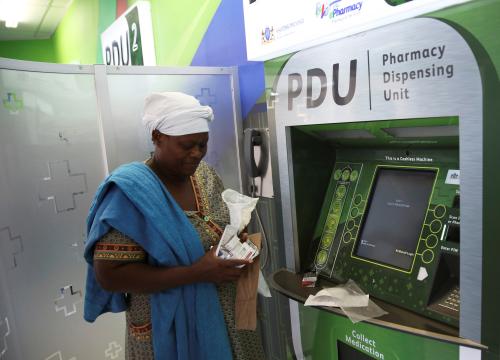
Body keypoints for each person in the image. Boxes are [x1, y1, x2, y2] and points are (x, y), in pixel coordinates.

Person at [83, 92, 265, 360]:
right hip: (165, 327)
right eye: (187, 145)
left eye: (202, 145)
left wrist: (234, 240)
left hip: (224, 315)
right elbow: (109, 275)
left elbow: (213, 228)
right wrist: (197, 273)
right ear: (157, 136)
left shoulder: (204, 176)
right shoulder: (132, 193)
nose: (196, 154)